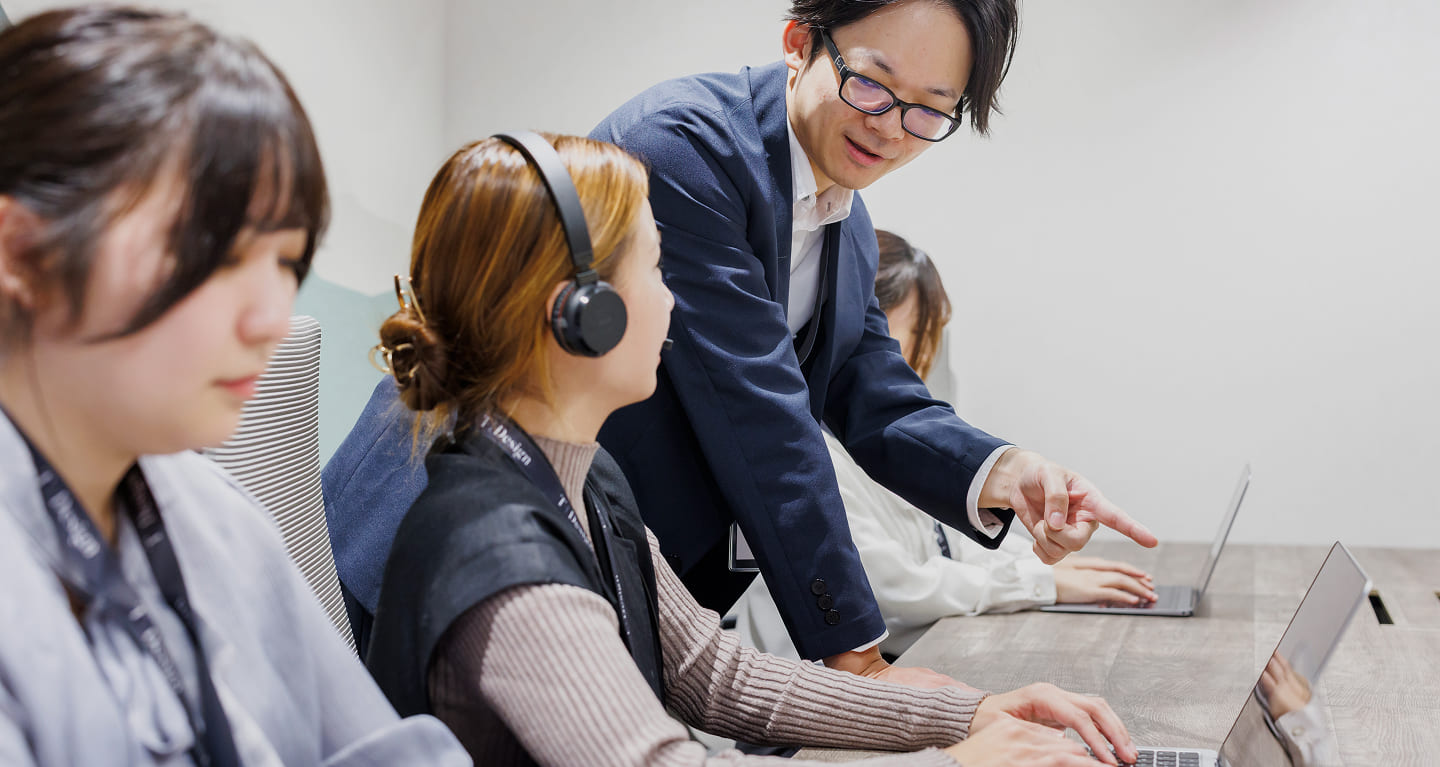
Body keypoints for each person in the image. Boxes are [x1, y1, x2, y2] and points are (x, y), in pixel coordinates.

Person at [362, 132, 1140, 766]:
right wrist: (955, 763)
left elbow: (713, 674)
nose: (674, 299)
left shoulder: (585, 480)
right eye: (656, 267)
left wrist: (967, 714)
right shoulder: (503, 560)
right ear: (584, 315)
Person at [587, 0, 1158, 677]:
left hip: (673, 593)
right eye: (870, 84)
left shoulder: (849, 228)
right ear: (799, 42)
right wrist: (861, 662)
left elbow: (878, 397)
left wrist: (1012, 473)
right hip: (577, 552)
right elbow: (759, 414)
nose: (889, 127)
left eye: (929, 110)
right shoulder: (682, 151)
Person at [0, 8, 468, 765]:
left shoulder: (214, 511)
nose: (271, 318)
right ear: (22, 251)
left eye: (286, 263)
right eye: (216, 256)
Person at [732, 230, 1156, 660]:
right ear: (857, 320)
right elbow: (891, 588)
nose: (921, 356)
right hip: (807, 686)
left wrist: (1039, 565)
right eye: (918, 331)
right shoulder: (806, 445)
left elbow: (942, 544)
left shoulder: (887, 440)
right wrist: (1040, 583)